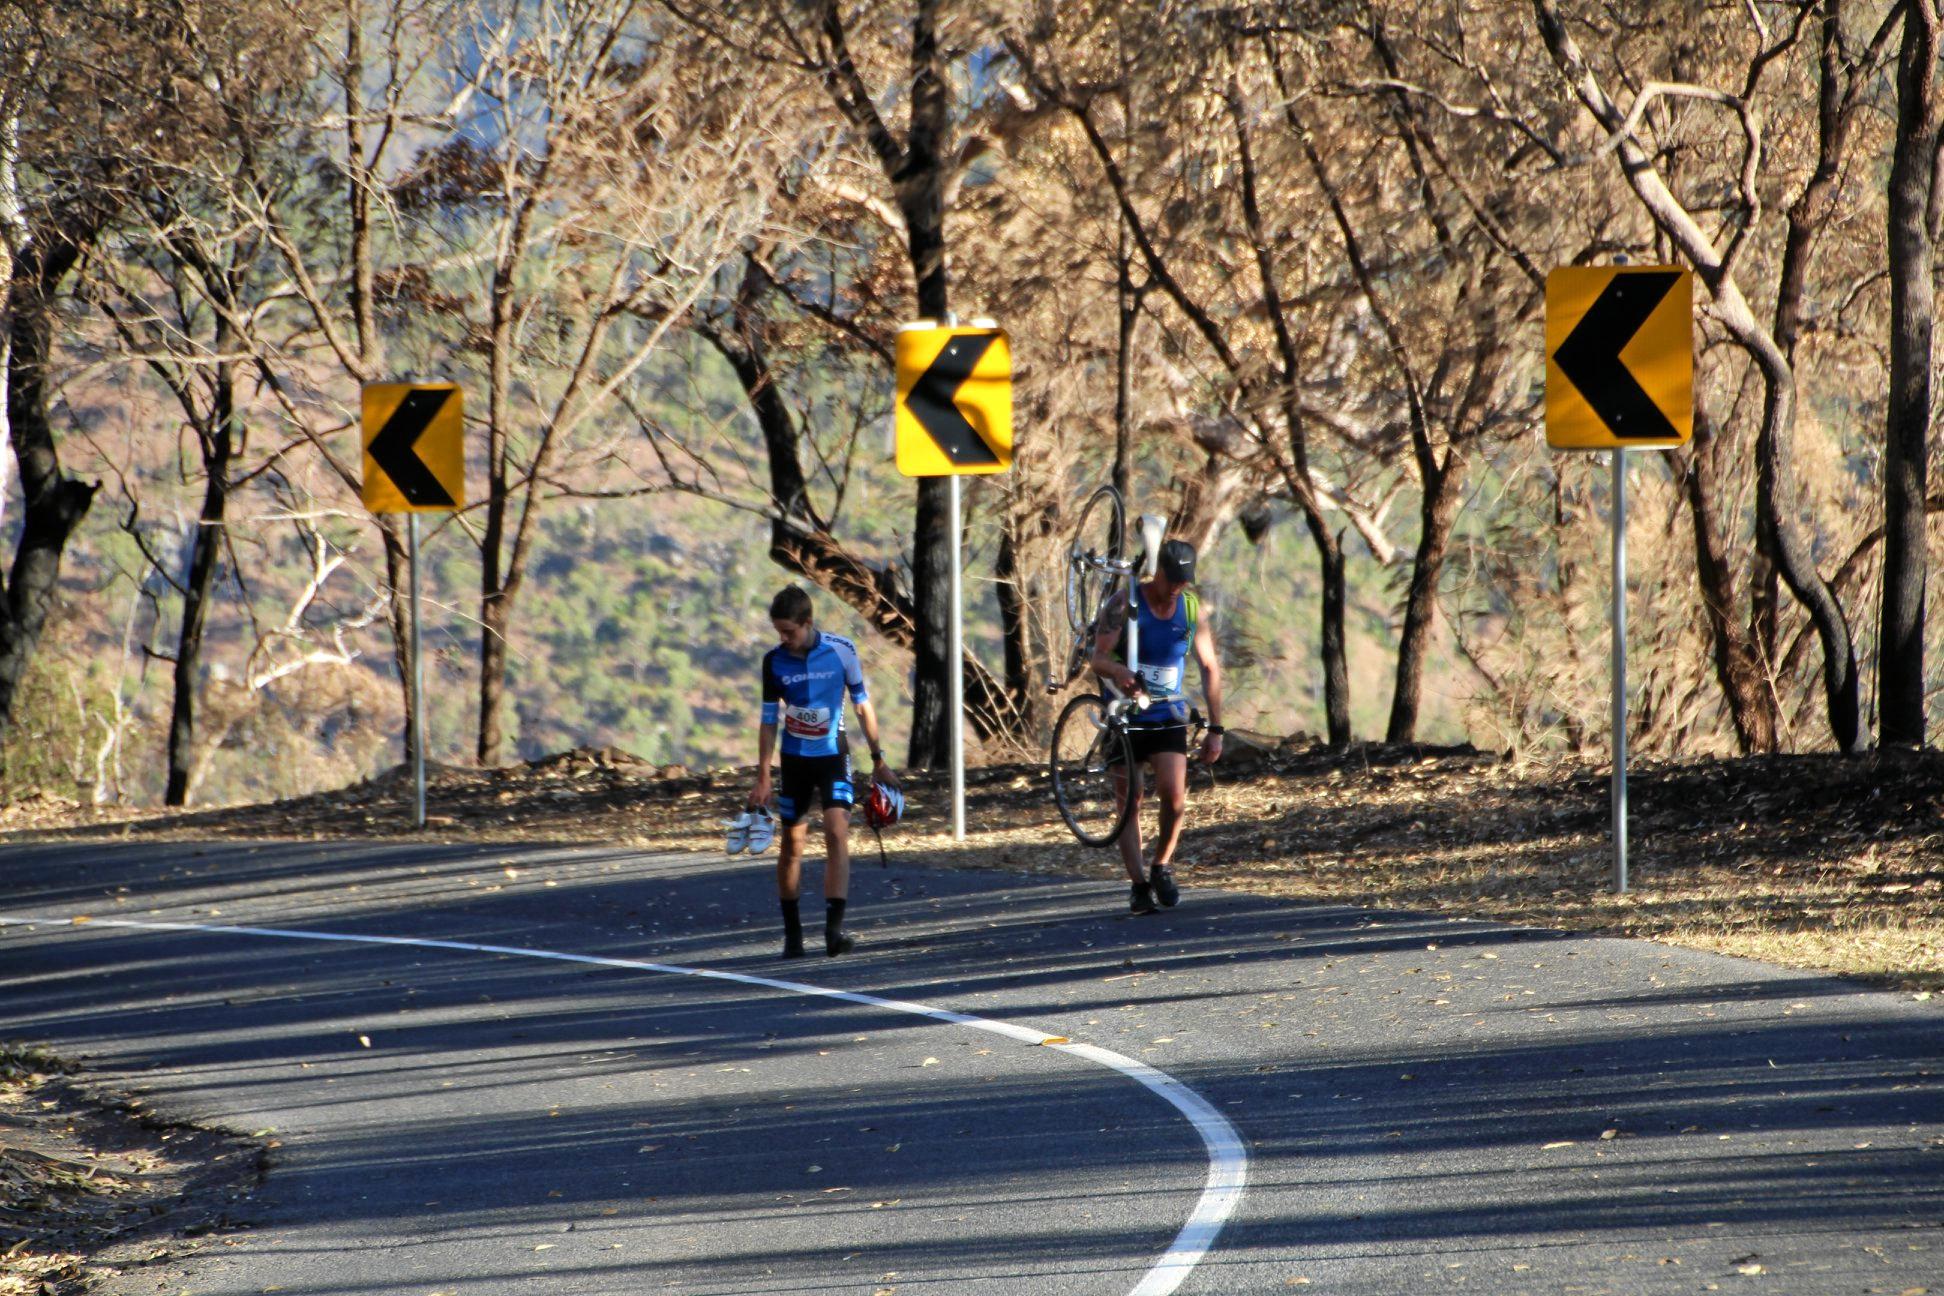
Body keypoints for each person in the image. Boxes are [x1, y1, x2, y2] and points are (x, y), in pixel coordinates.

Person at [751, 585, 899, 957]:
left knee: (837, 833)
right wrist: (764, 775)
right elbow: (769, 721)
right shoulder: (774, 662)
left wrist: (878, 759)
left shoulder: (841, 650)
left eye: (790, 632)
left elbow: (863, 706)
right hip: (796, 760)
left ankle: (834, 932)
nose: (783, 639)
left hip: (833, 755)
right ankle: (793, 935)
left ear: (808, 623)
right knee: (792, 846)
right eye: (778, 632)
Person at [1089, 538, 1224, 914]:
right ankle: (1137, 885)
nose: (1179, 586)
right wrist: (1119, 671)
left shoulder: (1192, 609)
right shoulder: (1125, 604)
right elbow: (1098, 659)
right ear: (1159, 571)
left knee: (1174, 796)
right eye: (1173, 579)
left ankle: (1162, 865)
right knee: (1128, 803)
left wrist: (1216, 729)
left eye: (1185, 580)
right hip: (1126, 714)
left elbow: (1210, 667)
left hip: (1166, 715)